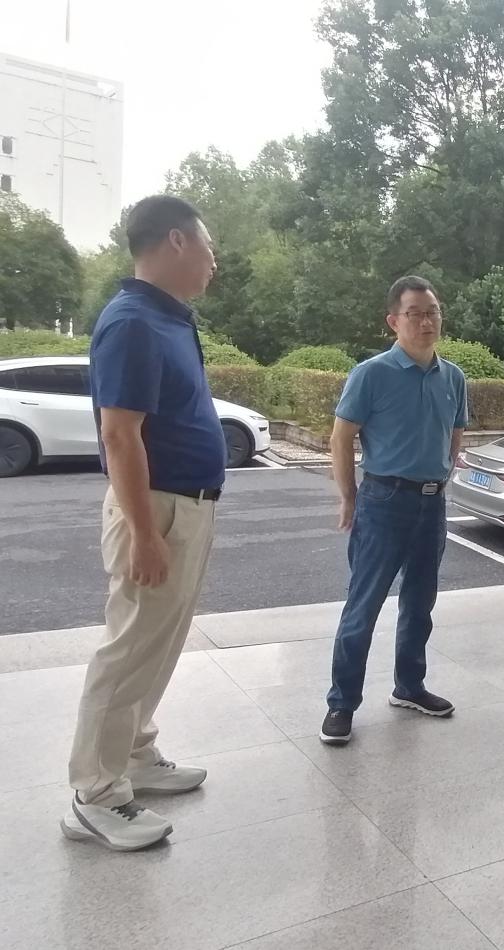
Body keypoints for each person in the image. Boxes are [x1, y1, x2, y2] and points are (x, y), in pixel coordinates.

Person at [62, 195, 222, 852]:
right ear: (177, 241)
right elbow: (120, 436)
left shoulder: (169, 318)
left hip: (185, 504)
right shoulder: (132, 322)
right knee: (128, 649)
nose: (213, 261)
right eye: (208, 247)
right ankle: (95, 794)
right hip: (153, 509)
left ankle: (134, 753)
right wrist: (145, 534)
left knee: (158, 643)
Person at [319, 276, 468, 745]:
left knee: (420, 603)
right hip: (384, 501)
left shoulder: (453, 377)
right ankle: (342, 703)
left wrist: (441, 474)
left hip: (432, 503)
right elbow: (341, 439)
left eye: (432, 312)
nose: (426, 321)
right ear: (393, 321)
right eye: (415, 313)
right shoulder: (371, 374)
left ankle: (409, 686)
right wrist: (348, 496)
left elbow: (455, 432)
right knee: (363, 605)